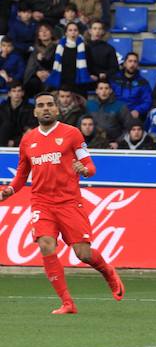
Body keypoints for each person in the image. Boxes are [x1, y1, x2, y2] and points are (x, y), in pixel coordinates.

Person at [1, 91, 124, 314]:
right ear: (35, 111)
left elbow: (91, 166)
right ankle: (67, 302)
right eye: (41, 105)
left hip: (69, 202)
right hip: (41, 203)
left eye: (50, 104)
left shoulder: (72, 134)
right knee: (46, 244)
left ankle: (107, 271)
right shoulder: (28, 140)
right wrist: (9, 190)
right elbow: (21, 175)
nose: (46, 108)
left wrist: (84, 170)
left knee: (83, 254)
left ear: (57, 110)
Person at [45, 22, 92, 95]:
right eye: (70, 30)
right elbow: (51, 63)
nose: (73, 32)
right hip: (62, 81)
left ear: (78, 32)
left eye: (75, 30)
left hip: (78, 81)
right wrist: (41, 60)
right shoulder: (58, 47)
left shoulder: (85, 47)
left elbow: (90, 63)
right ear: (66, 33)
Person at [85, 78, 127, 146]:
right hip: (92, 143)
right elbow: (81, 124)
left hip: (113, 144)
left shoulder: (120, 106)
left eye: (106, 88)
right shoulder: (89, 105)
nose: (104, 91)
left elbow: (128, 127)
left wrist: (118, 142)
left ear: (110, 90)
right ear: (96, 91)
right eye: (101, 88)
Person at [111, 53, 152, 120]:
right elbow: (108, 97)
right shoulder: (115, 80)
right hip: (116, 113)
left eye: (135, 62)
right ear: (124, 64)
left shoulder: (143, 82)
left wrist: (138, 110)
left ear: (137, 65)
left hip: (133, 114)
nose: (132, 64)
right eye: (130, 61)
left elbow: (147, 101)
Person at [0, 82, 36, 146]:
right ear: (9, 93)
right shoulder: (2, 107)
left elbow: (31, 127)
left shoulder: (30, 108)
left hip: (21, 137)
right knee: (6, 125)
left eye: (19, 91)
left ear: (23, 93)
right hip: (4, 138)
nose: (16, 94)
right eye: (14, 91)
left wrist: (15, 142)